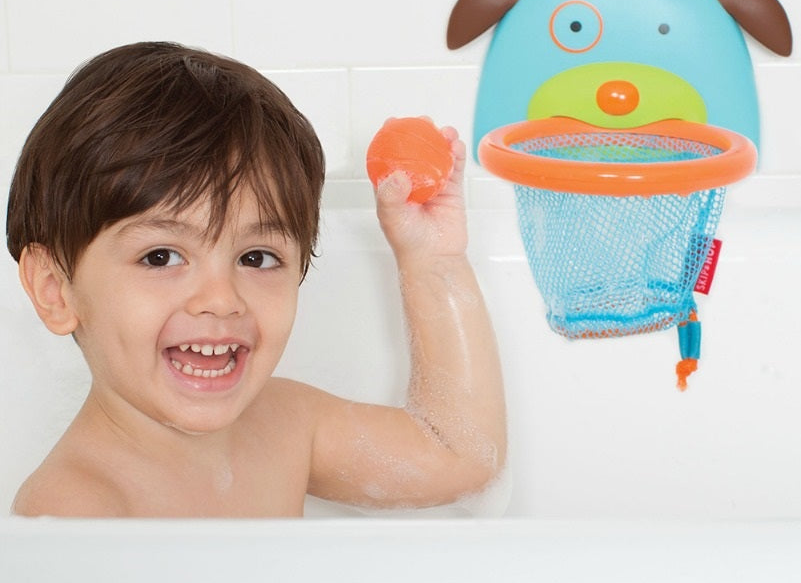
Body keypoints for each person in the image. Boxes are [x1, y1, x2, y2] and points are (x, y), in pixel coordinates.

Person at [6, 41, 506, 517]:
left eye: (257, 258)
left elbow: (458, 457)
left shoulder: (284, 425)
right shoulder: (73, 513)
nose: (221, 300)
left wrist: (432, 260)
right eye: (161, 256)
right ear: (55, 291)